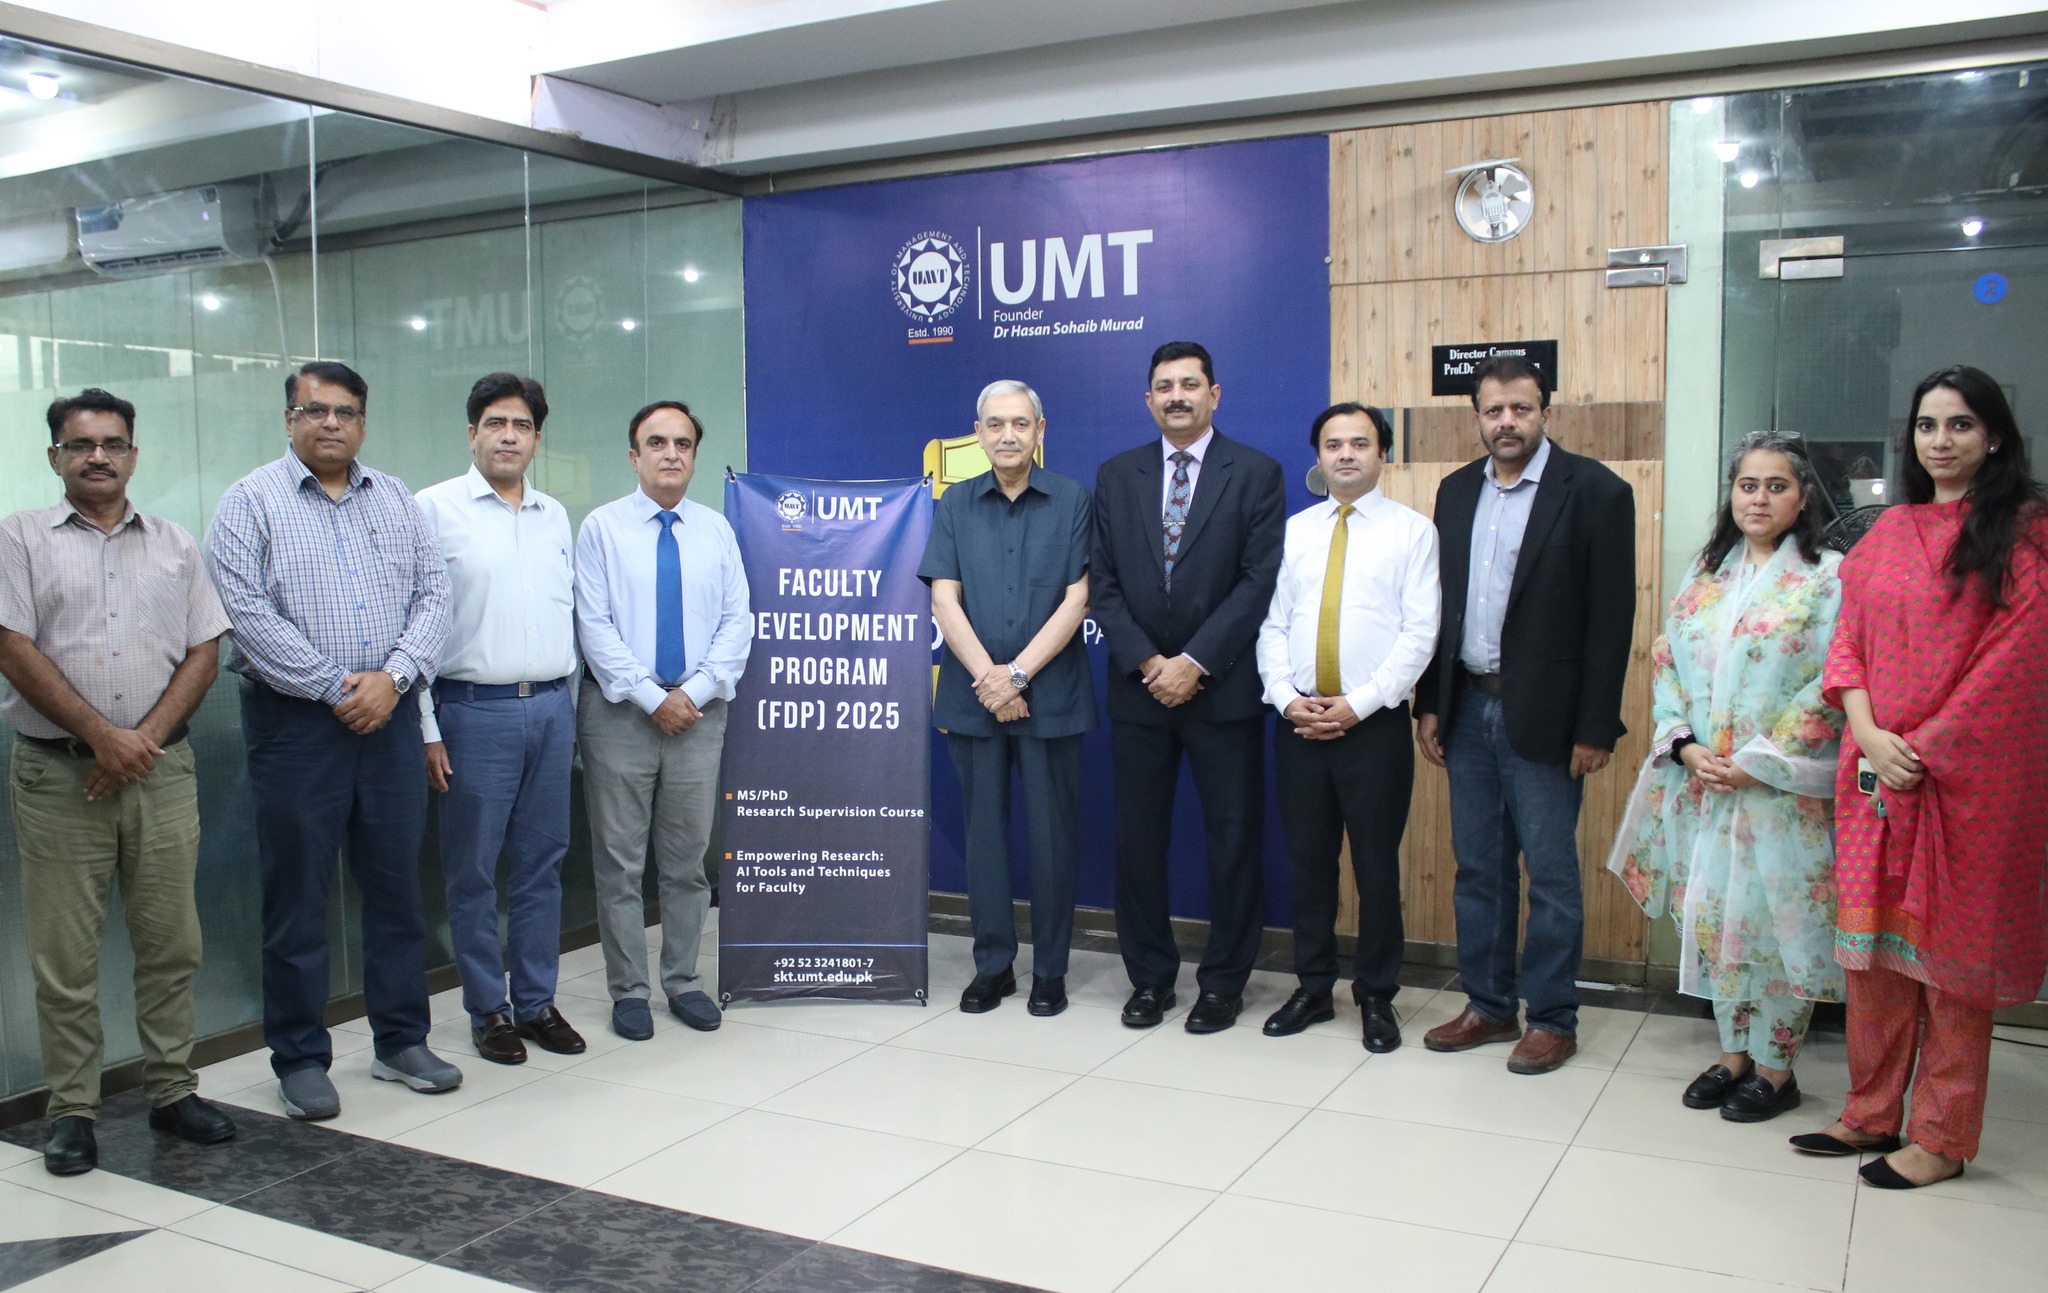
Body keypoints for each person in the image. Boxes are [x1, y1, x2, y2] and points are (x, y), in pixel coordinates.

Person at [1790, 366, 2048, 1189]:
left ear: (1995, 436)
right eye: (1928, 425)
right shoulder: (1890, 530)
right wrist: (1869, 733)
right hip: (1874, 772)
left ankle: (1940, 1136)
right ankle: (1870, 1111)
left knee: (1952, 961)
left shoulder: (2025, 533)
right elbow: (1848, 644)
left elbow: (2016, 660)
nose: (1941, 440)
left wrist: (1924, 747)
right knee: (1871, 954)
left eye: (1961, 424)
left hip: (1965, 784)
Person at [205, 361, 460, 1120]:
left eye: (345, 411)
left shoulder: (396, 499)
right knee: (299, 896)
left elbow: (435, 594)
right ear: (289, 419)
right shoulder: (250, 502)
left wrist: (395, 677)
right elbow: (245, 612)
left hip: (390, 717)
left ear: (362, 423)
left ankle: (401, 1040)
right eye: (314, 410)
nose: (330, 423)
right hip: (296, 726)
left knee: (395, 889)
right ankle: (299, 1057)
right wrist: (338, 688)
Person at [0, 389, 236, 1175]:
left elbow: (204, 650)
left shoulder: (174, 542)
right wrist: (104, 738)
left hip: (162, 773)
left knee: (173, 942)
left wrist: (143, 742)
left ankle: (172, 1088)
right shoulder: (19, 538)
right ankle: (72, 1108)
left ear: (133, 454)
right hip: (60, 778)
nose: (97, 455)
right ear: (55, 456)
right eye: (81, 444)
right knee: (64, 957)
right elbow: (11, 646)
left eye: (112, 443)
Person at [1609, 431, 1843, 1123]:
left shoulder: (1828, 577)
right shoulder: (1705, 574)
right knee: (1717, 919)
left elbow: (1834, 680)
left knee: (1776, 923)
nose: (1759, 499)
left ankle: (1776, 1067)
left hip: (1781, 790)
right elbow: (1667, 664)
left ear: (1803, 496)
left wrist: (1757, 761)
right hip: (1706, 783)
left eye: (1777, 486)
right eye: (1748, 485)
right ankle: (1733, 1053)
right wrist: (1684, 746)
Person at [1413, 353, 1635, 1074]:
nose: (1506, 422)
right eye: (1494, 410)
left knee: (1551, 875)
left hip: (1548, 718)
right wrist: (1431, 703)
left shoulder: (1596, 491)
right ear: (1477, 417)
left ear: (1546, 412)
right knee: (1478, 869)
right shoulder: (1454, 492)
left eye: (1521, 409)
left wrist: (1595, 726)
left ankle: (1552, 1017)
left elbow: (1611, 620)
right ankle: (1487, 1004)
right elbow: (1442, 610)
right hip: (1467, 707)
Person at [1091, 340, 1286, 1033]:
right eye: (1165, 386)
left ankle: (1224, 983)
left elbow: (1259, 581)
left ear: (1214, 394)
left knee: (1233, 842)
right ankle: (1150, 979)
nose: (1178, 396)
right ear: (1149, 399)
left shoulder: (1256, 473)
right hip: (1139, 691)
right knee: (1139, 843)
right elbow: (1103, 583)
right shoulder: (1117, 475)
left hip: (1222, 691)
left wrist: (1195, 661)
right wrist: (1151, 663)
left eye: (1190, 384)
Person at [1254, 404, 1438, 1052]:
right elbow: (1272, 624)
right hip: (1299, 723)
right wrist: (1285, 699)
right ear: (1319, 456)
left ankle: (1376, 994)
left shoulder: (1413, 532)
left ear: (1382, 454)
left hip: (1373, 726)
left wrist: (1360, 703)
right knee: (1309, 864)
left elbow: (1420, 633)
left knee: (1376, 867)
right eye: (1334, 445)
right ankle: (1312, 987)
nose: (1347, 454)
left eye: (1360, 443)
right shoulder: (1294, 532)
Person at [415, 373, 585, 1065]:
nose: (508, 436)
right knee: (475, 872)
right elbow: (414, 624)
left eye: (521, 425)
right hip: (471, 712)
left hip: (550, 706)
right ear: (472, 434)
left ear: (537, 439)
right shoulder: (433, 510)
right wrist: (426, 727)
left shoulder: (554, 515)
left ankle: (537, 1001)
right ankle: (489, 1009)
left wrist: (569, 709)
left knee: (543, 866)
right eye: (495, 423)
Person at [575, 401, 751, 1041]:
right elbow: (594, 627)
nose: (671, 453)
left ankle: (683, 981)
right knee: (619, 865)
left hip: (698, 716)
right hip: (619, 714)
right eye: (656, 443)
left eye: (682, 443)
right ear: (634, 456)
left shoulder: (716, 531)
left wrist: (691, 694)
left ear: (694, 457)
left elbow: (737, 622)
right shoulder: (601, 528)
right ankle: (628, 991)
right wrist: (653, 697)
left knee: (687, 863)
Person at [920, 380, 1093, 1016]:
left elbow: (1078, 599)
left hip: (1053, 697)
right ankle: (993, 966)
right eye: (995, 424)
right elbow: (944, 598)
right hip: (974, 699)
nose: (1008, 435)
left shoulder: (1073, 499)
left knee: (1052, 840)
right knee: (984, 839)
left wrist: (1016, 676)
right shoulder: (955, 502)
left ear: (1040, 430)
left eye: (1020, 423)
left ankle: (1050, 970)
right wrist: (991, 682)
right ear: (979, 432)